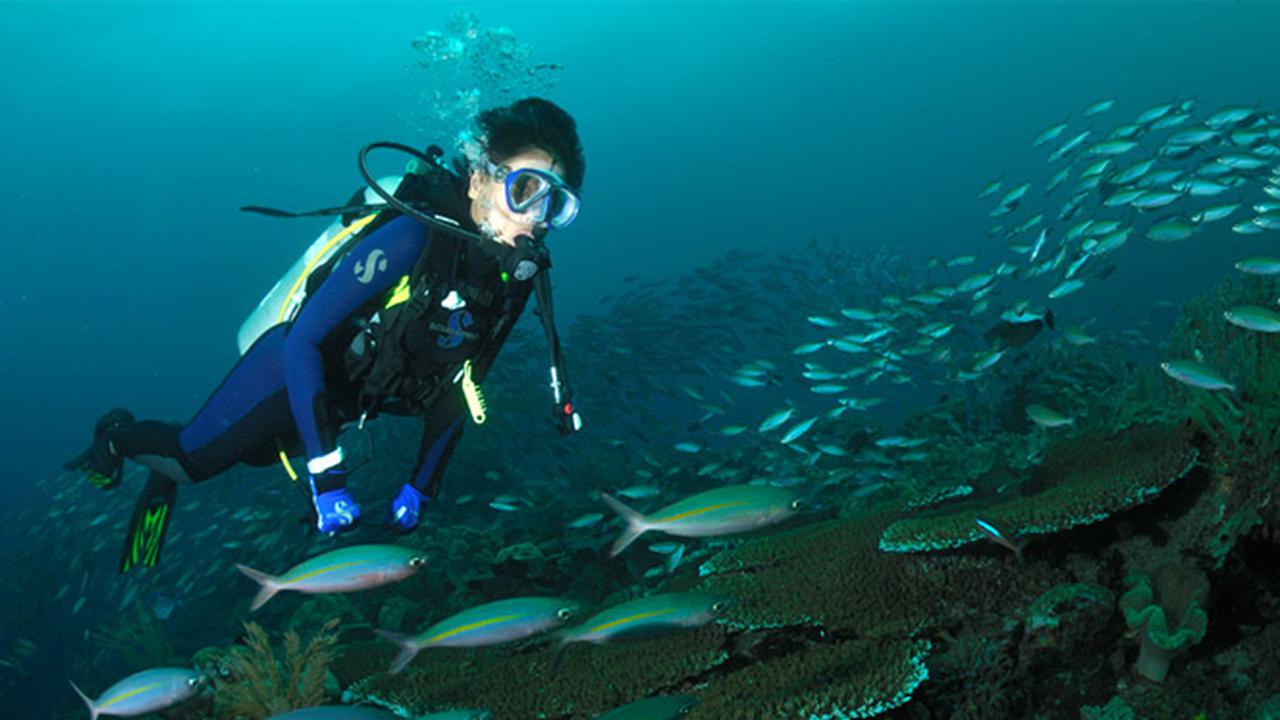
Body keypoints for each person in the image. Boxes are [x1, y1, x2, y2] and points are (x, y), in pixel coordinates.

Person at [66, 97, 586, 551]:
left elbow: (462, 387)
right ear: (478, 180)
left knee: (258, 459)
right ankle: (115, 437)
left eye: (555, 204)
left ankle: (167, 457)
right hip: (288, 371)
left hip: (339, 401)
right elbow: (307, 339)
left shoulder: (513, 281)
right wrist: (326, 475)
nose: (536, 217)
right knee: (192, 463)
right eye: (526, 190)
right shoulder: (411, 237)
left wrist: (421, 486)